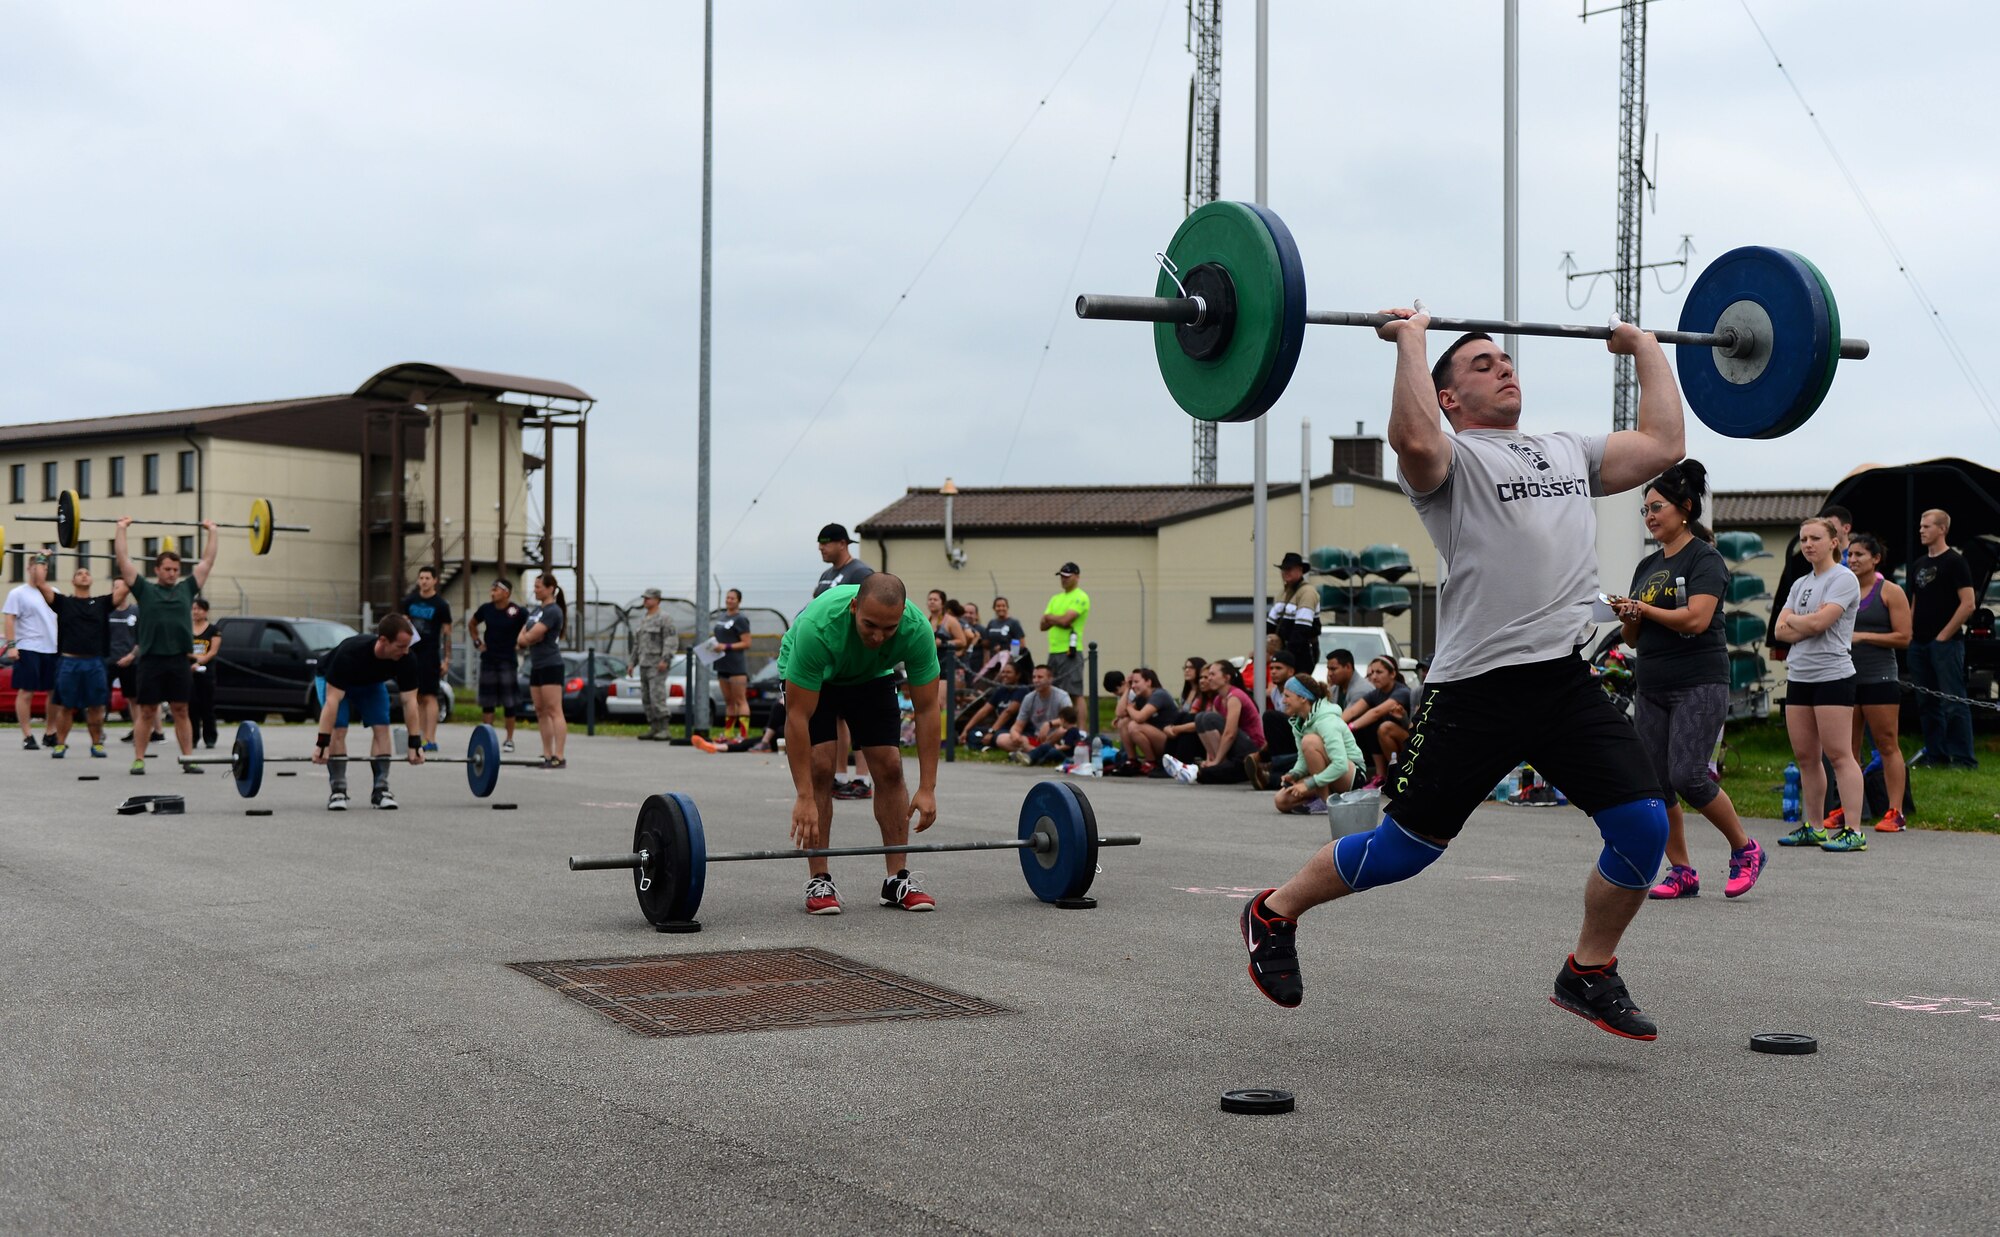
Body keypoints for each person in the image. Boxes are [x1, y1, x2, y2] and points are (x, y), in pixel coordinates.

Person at [1240, 316, 1683, 1043]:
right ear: (1448, 396)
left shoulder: (1568, 449)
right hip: (1474, 690)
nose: (1504, 367)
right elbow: (1410, 439)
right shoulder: (1449, 464)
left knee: (1641, 823)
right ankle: (1273, 911)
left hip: (1563, 682)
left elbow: (1666, 444)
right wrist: (1410, 340)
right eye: (1482, 363)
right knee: (1403, 850)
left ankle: (1589, 968)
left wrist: (1644, 349)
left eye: (1505, 357)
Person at [1609, 460, 1764, 900]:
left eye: (1657, 507)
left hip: (1699, 680)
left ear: (1685, 508)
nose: (1650, 516)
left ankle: (1745, 849)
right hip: (1653, 682)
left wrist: (1644, 610)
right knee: (1657, 782)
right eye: (1645, 510)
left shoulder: (1706, 558)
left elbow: (1696, 619)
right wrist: (1628, 615)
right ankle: (1681, 871)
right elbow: (1632, 638)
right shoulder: (1647, 566)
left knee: (1688, 775)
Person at [777, 574, 941, 915]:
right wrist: (804, 795)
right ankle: (819, 879)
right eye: (869, 625)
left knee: (890, 766)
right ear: (854, 608)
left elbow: (926, 710)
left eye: (888, 628)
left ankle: (897, 879)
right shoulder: (817, 628)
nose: (878, 635)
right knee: (821, 764)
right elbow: (796, 719)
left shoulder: (917, 629)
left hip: (870, 675)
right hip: (818, 673)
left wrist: (928, 787)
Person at [1774, 517, 1868, 852]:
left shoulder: (1844, 579)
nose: (1808, 544)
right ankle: (1815, 826)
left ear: (1833, 542)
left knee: (1840, 755)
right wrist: (1802, 624)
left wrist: (1798, 623)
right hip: (1800, 675)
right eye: (1803, 539)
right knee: (1806, 757)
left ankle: (1854, 830)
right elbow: (1778, 631)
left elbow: (1820, 623)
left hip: (1833, 674)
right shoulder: (1800, 583)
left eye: (1815, 537)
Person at [114, 518, 220, 775]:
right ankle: (139, 759)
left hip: (179, 660)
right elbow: (123, 561)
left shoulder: (186, 589)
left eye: (176, 569)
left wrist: (213, 532)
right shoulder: (145, 590)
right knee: (147, 711)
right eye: (168, 569)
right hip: (151, 660)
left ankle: (188, 759)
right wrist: (121, 529)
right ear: (157, 570)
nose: (173, 573)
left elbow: (207, 562)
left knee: (181, 710)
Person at [312, 614, 426, 810]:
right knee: (338, 730)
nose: (405, 651)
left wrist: (415, 743)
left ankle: (381, 790)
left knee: (382, 728)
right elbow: (332, 702)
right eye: (400, 646)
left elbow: (410, 703)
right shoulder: (350, 653)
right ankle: (338, 790)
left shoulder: (407, 658)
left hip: (370, 683)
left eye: (408, 646)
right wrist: (322, 743)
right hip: (335, 681)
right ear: (383, 641)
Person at [1845, 533, 1912, 831]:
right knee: (1848, 749)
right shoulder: (1842, 590)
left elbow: (1904, 637)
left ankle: (1895, 811)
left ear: (1875, 559)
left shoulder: (1891, 591)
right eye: (1850, 554)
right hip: (1846, 677)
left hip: (1880, 678)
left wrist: (1863, 636)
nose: (1853, 559)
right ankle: (1850, 811)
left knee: (1887, 745)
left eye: (1860, 554)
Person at [1907, 508, 1978, 769]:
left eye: (1927, 526)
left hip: (1946, 644)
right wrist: (1910, 634)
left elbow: (1968, 604)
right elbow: (1914, 603)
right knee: (1927, 702)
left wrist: (1943, 636)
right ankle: (1936, 756)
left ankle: (1963, 759)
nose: (1922, 530)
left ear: (1942, 529)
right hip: (1919, 644)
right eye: (1921, 526)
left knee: (1953, 701)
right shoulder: (1918, 564)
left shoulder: (1955, 562)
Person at [813, 524, 877, 798]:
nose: (821, 549)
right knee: (837, 718)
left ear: (842, 543)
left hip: (855, 656)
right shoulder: (827, 575)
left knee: (859, 718)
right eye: (819, 544)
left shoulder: (860, 572)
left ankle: (862, 780)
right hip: (831, 657)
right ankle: (840, 776)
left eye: (825, 543)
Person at [35, 565, 115, 758]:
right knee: (65, 707)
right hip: (69, 662)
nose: (84, 575)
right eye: (79, 573)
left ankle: (97, 744)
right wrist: (41, 559)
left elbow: (128, 586)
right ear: (73, 581)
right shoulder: (63, 602)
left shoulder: (102, 603)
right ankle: (60, 744)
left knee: (96, 707)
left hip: (94, 662)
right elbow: (39, 583)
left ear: (92, 580)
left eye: (87, 573)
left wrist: (122, 557)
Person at [1271, 675, 1364, 815]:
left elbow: (1340, 764)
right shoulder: (1299, 722)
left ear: (1303, 698)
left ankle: (1324, 801)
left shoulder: (1326, 720)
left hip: (1351, 776)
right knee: (1282, 800)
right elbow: (1303, 760)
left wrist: (1308, 784)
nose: (1283, 701)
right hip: (1328, 777)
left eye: (1287, 696)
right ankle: (1330, 800)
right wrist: (1294, 774)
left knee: (1310, 741)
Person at [1162, 658, 1263, 785]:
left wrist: (1217, 761)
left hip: (1251, 747)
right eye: (1208, 674)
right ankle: (1205, 767)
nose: (1209, 678)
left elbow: (1230, 733)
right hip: (1235, 746)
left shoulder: (1235, 697)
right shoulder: (1218, 700)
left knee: (1207, 717)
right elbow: (1206, 728)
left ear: (1226, 678)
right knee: (1201, 718)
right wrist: (1210, 758)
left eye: (1212, 674)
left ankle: (1211, 766)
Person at [3, 553, 60, 748]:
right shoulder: (18, 593)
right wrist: (12, 646)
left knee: (54, 692)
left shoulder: (53, 591)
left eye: (43, 566)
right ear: (29, 569)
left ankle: (50, 732)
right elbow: (9, 619)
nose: (40, 569)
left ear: (46, 570)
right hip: (28, 647)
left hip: (51, 648)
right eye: (36, 566)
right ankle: (27, 735)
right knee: (27, 692)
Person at [468, 580, 526, 753]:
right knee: (488, 701)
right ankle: (488, 737)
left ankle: (509, 739)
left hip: (508, 660)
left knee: (509, 702)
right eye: (492, 589)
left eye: (497, 589)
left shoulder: (515, 611)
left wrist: (521, 643)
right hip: (489, 659)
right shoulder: (486, 609)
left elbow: (529, 624)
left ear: (506, 593)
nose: (492, 592)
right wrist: (478, 642)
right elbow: (472, 624)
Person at [401, 566, 453, 753]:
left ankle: (431, 738)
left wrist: (447, 659)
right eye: (421, 578)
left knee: (430, 696)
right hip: (410, 654)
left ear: (435, 580)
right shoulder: (409, 601)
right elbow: (403, 625)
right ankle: (421, 736)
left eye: (427, 578)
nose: (423, 581)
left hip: (430, 655)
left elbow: (447, 634)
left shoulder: (440, 605)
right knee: (417, 696)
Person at [519, 573, 568, 768]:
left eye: (539, 586)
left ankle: (559, 755)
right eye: (535, 586)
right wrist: (528, 636)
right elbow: (523, 637)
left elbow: (531, 636)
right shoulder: (537, 611)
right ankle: (547, 754)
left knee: (554, 710)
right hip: (536, 665)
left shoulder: (553, 611)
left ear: (550, 589)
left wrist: (528, 636)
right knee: (540, 710)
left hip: (551, 664)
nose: (535, 590)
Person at [1342, 656, 1412, 789]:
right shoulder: (1375, 693)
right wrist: (1334, 726)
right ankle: (1381, 776)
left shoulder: (1402, 691)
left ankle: (1398, 774)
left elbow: (1377, 712)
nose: (1374, 677)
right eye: (1371, 673)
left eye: (1379, 672)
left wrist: (1348, 728)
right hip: (1390, 747)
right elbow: (1352, 711)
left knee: (1385, 728)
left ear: (1392, 674)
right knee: (1368, 725)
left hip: (1410, 745)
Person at [996, 663, 1072, 759]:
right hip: (1037, 738)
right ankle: (1038, 753)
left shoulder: (1062, 696)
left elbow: (1070, 720)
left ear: (1050, 679)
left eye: (1040, 677)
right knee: (1001, 739)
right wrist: (1014, 733)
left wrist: (1050, 724)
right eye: (1034, 677)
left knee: (1062, 730)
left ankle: (1032, 754)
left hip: (1056, 738)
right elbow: (1018, 725)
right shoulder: (1029, 698)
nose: (1036, 680)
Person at [632, 587, 679, 742]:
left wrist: (665, 659)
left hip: (657, 664)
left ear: (657, 600)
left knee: (657, 695)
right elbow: (637, 643)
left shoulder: (664, 618)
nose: (646, 601)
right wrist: (632, 663)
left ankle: (664, 728)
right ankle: (654, 727)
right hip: (644, 663)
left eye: (649, 598)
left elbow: (670, 640)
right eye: (645, 598)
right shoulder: (644, 619)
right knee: (646, 697)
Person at [1041, 563, 1090, 697]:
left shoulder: (1080, 596)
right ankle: (1061, 718)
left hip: (1070, 651)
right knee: (1053, 692)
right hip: (1054, 650)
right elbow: (1042, 625)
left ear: (1077, 577)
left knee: (1073, 693)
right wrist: (1055, 619)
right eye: (1062, 576)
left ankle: (1078, 719)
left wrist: (1051, 618)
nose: (1064, 579)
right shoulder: (1055, 599)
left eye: (1067, 576)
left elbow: (1065, 620)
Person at [710, 588, 753, 742]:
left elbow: (747, 643)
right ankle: (728, 734)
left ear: (739, 601)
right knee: (728, 701)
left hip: (736, 665)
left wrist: (726, 647)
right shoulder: (721, 617)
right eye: (727, 598)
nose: (729, 600)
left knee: (740, 700)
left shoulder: (740, 619)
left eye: (732, 598)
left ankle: (743, 735)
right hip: (722, 663)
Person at [957, 658, 1027, 749]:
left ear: (1018, 675)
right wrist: (966, 730)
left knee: (996, 736)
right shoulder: (1001, 690)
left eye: (1009, 672)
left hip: (1012, 730)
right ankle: (984, 745)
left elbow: (1008, 712)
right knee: (974, 732)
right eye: (1003, 672)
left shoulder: (1022, 690)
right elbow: (984, 711)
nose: (1005, 675)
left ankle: (983, 745)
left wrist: (991, 732)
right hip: (998, 729)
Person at [1115, 667, 1178, 765]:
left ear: (1148, 682)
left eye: (1136, 682)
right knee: (1123, 722)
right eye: (1132, 683)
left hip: (1171, 743)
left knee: (1134, 726)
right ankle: (1132, 760)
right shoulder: (1141, 697)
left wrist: (1129, 708)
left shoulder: (1159, 694)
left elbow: (1140, 717)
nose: (1133, 686)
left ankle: (1151, 762)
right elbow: (1119, 713)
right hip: (1157, 740)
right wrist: (1127, 688)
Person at [1269, 552, 1322, 671]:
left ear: (1300, 570)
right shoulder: (1284, 593)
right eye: (1283, 569)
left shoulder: (1307, 592)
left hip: (1302, 652)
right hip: (1286, 650)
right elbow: (1270, 624)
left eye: (1289, 569)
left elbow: (1301, 630)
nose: (1285, 572)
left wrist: (1286, 657)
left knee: (1298, 685)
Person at [105, 578, 143, 740]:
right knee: (100, 699)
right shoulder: (106, 611)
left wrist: (131, 656)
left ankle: (138, 731)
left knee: (134, 699)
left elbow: (142, 639)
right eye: (116, 587)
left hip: (130, 661)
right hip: (108, 661)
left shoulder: (136, 611)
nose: (119, 590)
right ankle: (98, 732)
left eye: (122, 587)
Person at [188, 598, 222, 749]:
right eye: (194, 609)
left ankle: (210, 737)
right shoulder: (187, 629)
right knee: (191, 706)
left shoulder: (213, 630)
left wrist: (200, 662)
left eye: (199, 609)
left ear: (206, 612)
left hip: (206, 674)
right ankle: (193, 737)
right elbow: (184, 649)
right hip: (189, 673)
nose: (196, 612)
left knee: (207, 706)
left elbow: (213, 651)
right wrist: (194, 660)